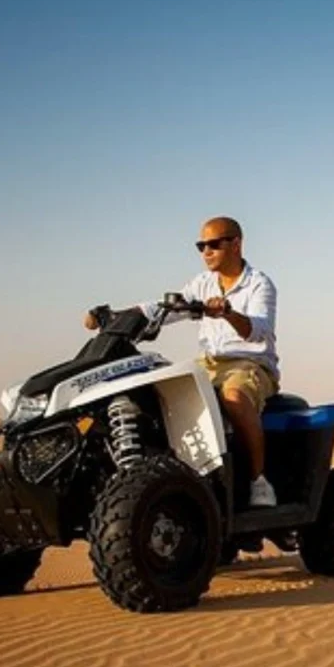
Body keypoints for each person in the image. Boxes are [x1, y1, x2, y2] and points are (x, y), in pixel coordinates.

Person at [84, 216, 280, 507]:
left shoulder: (259, 284)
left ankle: (258, 481)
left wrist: (227, 312)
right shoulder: (202, 284)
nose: (206, 252)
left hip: (249, 364)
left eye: (214, 244)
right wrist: (114, 315)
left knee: (234, 397)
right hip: (208, 362)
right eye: (201, 246)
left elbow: (258, 330)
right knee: (161, 392)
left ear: (236, 244)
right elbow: (165, 309)